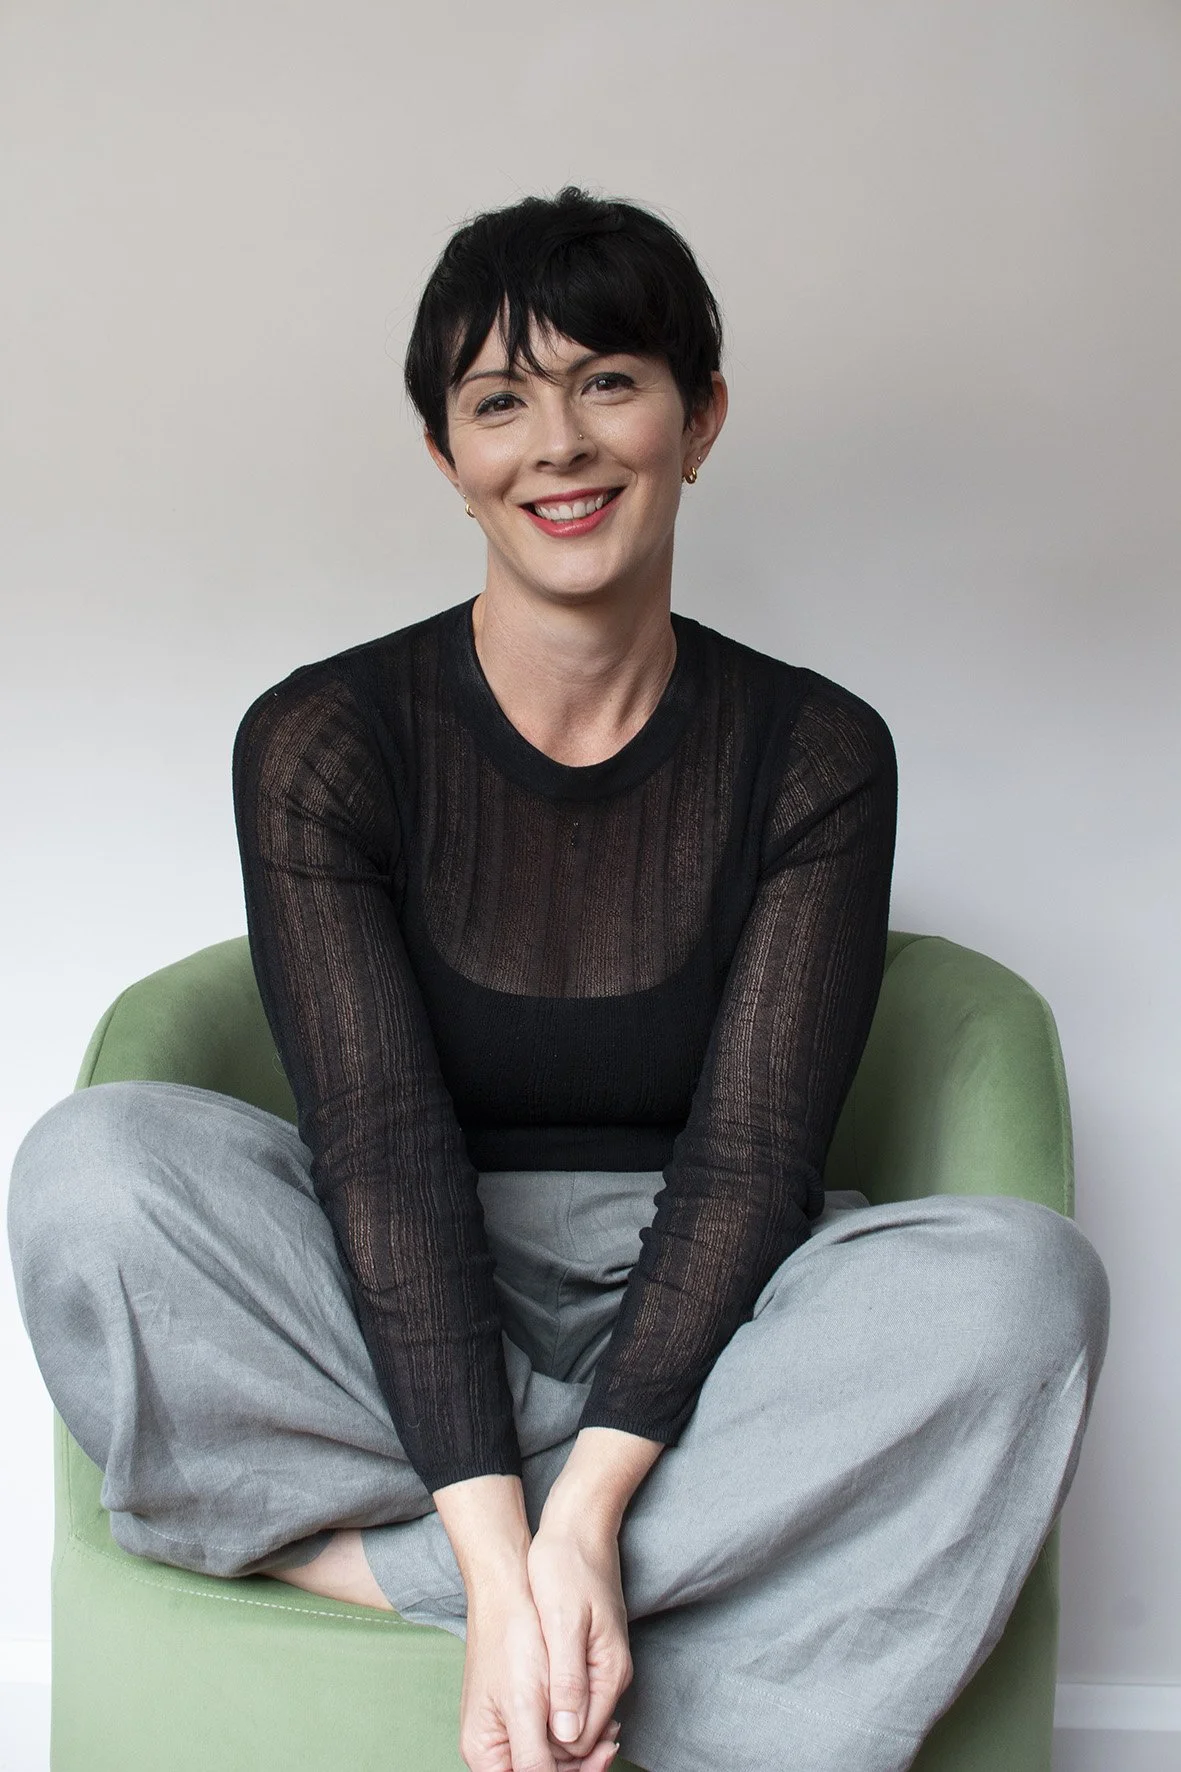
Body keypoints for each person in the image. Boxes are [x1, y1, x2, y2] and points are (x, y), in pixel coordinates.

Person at [9, 187, 1109, 1772]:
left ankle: (411, 1577)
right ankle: (649, 1591)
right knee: (92, 1168)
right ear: (447, 456)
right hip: (383, 1287)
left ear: (699, 415)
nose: (560, 445)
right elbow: (381, 1156)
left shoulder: (816, 752)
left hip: (718, 1322)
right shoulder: (324, 739)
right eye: (499, 401)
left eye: (610, 382)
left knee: (1026, 1291)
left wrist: (580, 1517)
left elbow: (749, 1170)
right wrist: (503, 1530)